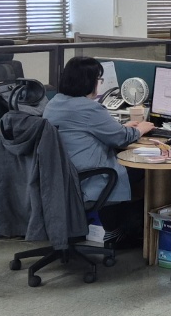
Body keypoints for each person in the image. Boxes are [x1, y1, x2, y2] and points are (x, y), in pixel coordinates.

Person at [44, 57, 154, 234]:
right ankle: (127, 230)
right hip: (90, 178)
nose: (99, 84)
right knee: (147, 169)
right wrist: (140, 129)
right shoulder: (89, 108)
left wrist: (120, 127)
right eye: (98, 79)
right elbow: (121, 138)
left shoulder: (54, 103)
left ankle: (115, 228)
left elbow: (88, 131)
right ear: (89, 82)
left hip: (63, 178)